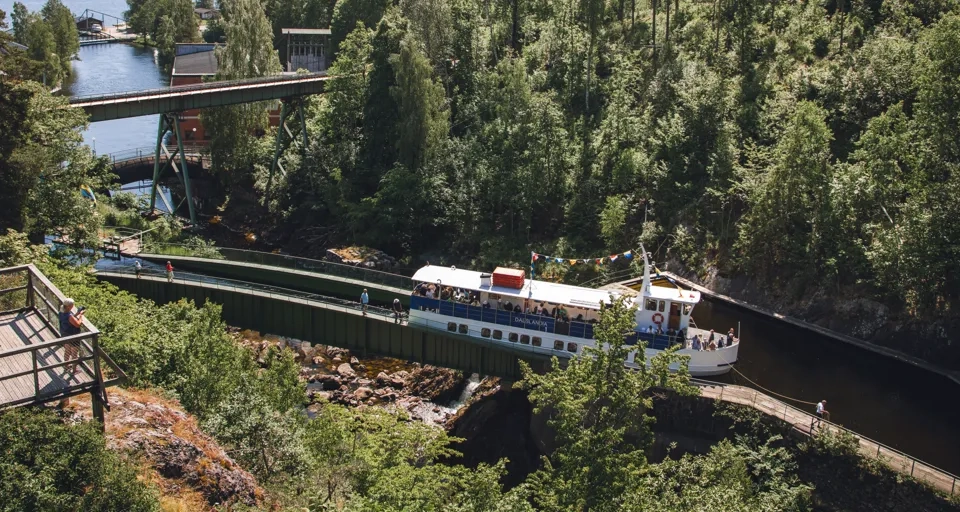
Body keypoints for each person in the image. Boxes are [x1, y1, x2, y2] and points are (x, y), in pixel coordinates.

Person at [58, 298, 84, 377]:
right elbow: (78, 324)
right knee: (74, 353)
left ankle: (66, 366)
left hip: (65, 335)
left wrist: (77, 313)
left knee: (67, 351)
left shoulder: (61, 312)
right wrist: (81, 316)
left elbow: (69, 320)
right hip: (73, 336)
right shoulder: (69, 315)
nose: (73, 306)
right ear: (69, 306)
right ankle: (74, 370)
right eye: (72, 305)